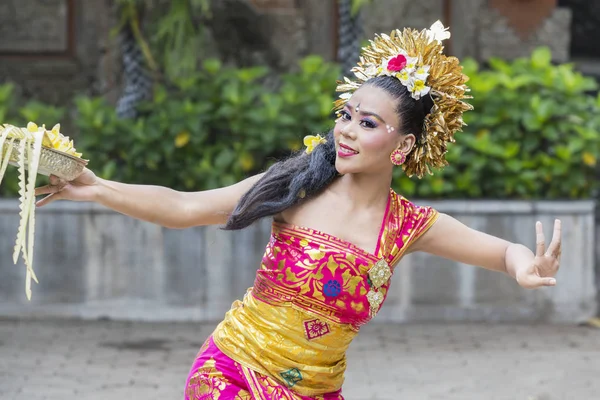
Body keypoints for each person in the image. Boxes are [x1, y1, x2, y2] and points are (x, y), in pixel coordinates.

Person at [35, 22, 561, 400]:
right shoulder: (299, 184)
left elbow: (502, 252)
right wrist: (98, 188)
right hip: (232, 372)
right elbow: (184, 207)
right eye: (346, 114)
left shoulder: (408, 226)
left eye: (369, 123)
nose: (348, 130)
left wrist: (524, 266)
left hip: (317, 391)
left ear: (402, 147)